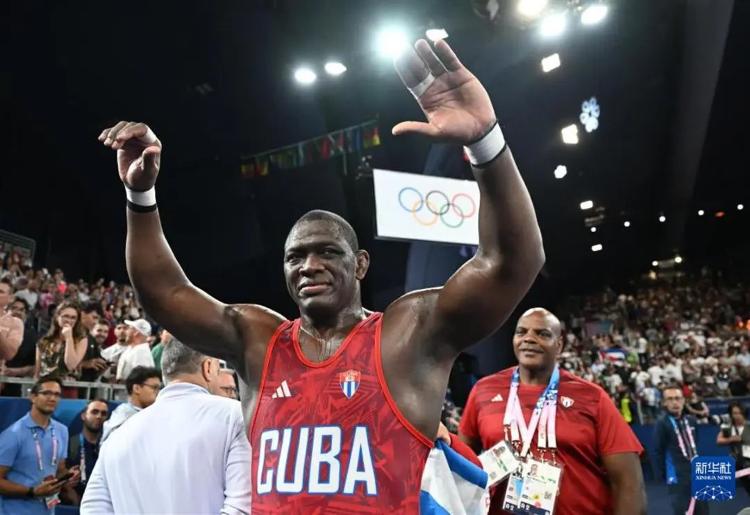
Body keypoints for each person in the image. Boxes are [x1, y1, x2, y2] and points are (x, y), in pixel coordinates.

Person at [100, 37, 545, 511]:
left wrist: (485, 141)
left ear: (361, 264)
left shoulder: (408, 334)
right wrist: (140, 197)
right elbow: (164, 292)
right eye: (295, 258)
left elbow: (511, 263)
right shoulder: (258, 340)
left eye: (327, 253)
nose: (309, 266)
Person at [458, 308, 646, 515]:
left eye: (542, 334)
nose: (529, 338)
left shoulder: (592, 397)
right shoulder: (484, 390)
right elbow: (461, 464)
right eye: (521, 332)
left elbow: (629, 482)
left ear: (559, 345)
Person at [81, 339, 251, 514]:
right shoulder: (236, 416)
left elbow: (92, 507)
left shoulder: (118, 435)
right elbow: (242, 507)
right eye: (217, 369)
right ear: (207, 368)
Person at [0, 377, 80, 514]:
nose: (52, 398)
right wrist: (32, 491)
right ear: (33, 397)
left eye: (57, 394)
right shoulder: (13, 434)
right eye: (46, 393)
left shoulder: (62, 430)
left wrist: (68, 476)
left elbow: (59, 469)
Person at [653, 386, 709, 515]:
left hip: (697, 473)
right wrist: (665, 474)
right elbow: (658, 451)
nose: (674, 402)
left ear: (683, 400)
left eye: (677, 398)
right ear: (664, 403)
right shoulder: (662, 424)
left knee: (703, 510)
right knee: (683, 510)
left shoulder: (691, 420)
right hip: (677, 477)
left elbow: (695, 443)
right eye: (670, 399)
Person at [61, 399, 109, 506]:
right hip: (74, 503)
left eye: (103, 414)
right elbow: (58, 474)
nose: (99, 416)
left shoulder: (109, 445)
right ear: (83, 416)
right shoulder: (70, 444)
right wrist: (66, 485)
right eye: (94, 412)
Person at [34, 301, 88, 393]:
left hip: (67, 389)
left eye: (73, 318)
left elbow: (71, 365)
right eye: (65, 316)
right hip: (45, 388)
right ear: (57, 317)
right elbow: (37, 372)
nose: (69, 320)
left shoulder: (80, 340)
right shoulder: (44, 341)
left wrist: (69, 338)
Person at [101, 366, 160, 441]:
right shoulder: (123, 417)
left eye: (159, 388)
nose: (158, 392)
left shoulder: (155, 413)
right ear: (136, 388)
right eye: (154, 387)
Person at [1, 297, 37, 397]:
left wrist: (16, 371)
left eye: (21, 310)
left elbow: (35, 366)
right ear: (6, 310)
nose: (17, 312)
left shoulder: (32, 337)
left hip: (13, 389)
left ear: (26, 314)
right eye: (14, 308)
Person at [716, 401, 750, 497]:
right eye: (734, 413)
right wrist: (731, 439)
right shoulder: (728, 427)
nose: (737, 416)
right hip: (739, 463)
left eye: (739, 413)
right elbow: (719, 441)